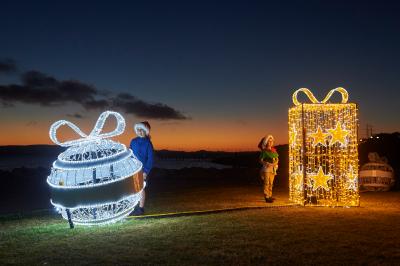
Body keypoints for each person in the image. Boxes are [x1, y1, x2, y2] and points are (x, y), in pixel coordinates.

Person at [130, 121, 154, 215]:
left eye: (142, 130)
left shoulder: (148, 143)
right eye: (138, 130)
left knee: (141, 188)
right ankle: (134, 208)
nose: (140, 132)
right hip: (132, 169)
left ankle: (140, 209)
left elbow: (150, 159)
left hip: (143, 170)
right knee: (133, 189)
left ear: (146, 131)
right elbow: (130, 154)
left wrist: (146, 171)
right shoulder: (133, 141)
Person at [258, 135, 279, 203]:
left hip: (273, 168)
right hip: (267, 168)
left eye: (271, 141)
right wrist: (266, 163)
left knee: (271, 183)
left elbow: (277, 159)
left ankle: (270, 195)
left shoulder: (274, 151)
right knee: (266, 183)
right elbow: (260, 160)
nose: (270, 142)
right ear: (266, 142)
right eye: (269, 141)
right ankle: (266, 196)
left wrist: (275, 163)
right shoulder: (264, 151)